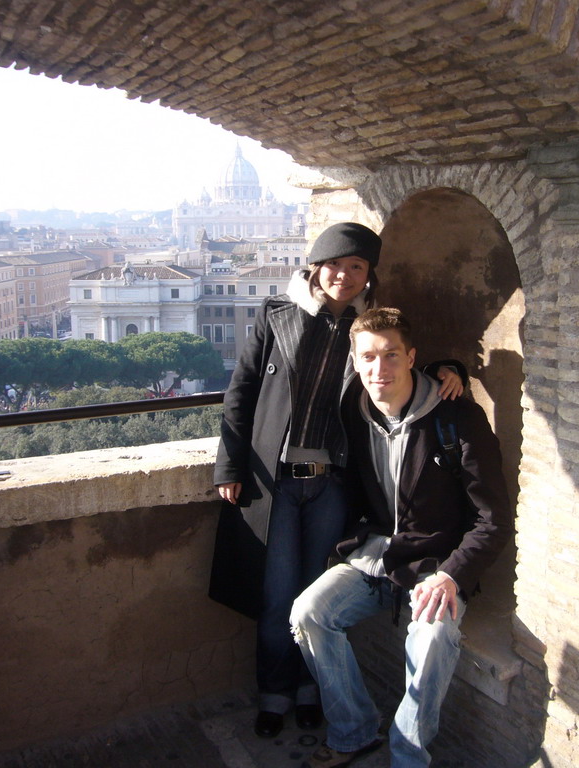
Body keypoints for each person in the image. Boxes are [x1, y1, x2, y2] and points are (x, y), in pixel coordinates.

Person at [210, 224, 464, 740]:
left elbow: (396, 359)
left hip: (332, 484)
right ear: (314, 267)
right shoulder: (274, 315)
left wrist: (451, 366)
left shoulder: (363, 325)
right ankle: (274, 693)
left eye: (357, 268)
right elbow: (241, 391)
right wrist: (229, 465)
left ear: (369, 275)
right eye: (334, 265)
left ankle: (311, 694)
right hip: (277, 481)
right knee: (279, 595)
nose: (344, 276)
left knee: (314, 594)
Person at [290, 308, 511, 768]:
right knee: (309, 613)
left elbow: (492, 520)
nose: (379, 368)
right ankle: (353, 732)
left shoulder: (458, 422)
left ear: (411, 357)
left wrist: (451, 576)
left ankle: (408, 757)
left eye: (391, 354)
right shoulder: (354, 410)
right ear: (355, 362)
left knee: (432, 637)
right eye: (367, 357)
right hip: (374, 557)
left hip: (434, 565)